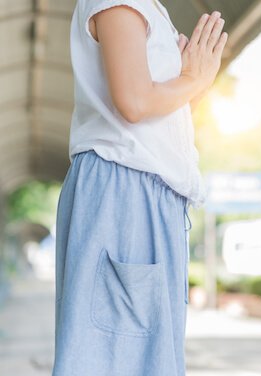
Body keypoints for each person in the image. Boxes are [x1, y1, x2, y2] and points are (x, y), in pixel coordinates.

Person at [53, 1, 227, 374]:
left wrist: (187, 84)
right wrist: (195, 79)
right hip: (126, 190)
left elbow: (151, 116)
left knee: (142, 355)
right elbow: (133, 102)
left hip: (143, 191)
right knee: (115, 356)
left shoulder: (151, 10)